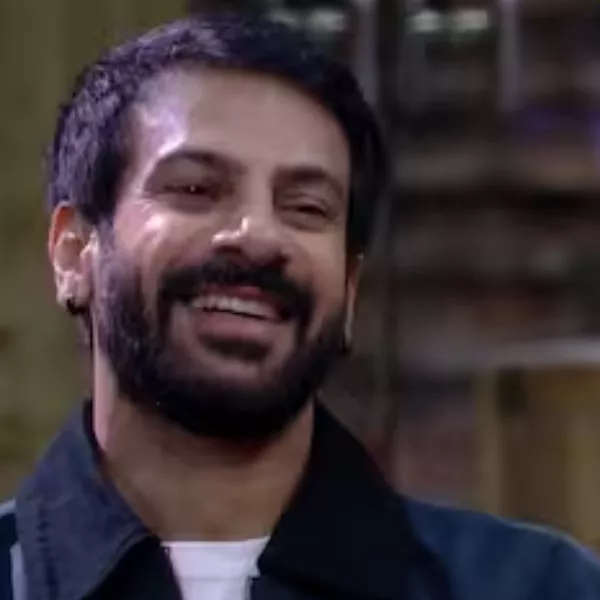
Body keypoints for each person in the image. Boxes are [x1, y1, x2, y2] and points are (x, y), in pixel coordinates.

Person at [0, 11, 598, 600]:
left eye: (307, 208)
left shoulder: (536, 586)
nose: (259, 235)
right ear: (73, 253)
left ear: (350, 288)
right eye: (195, 188)